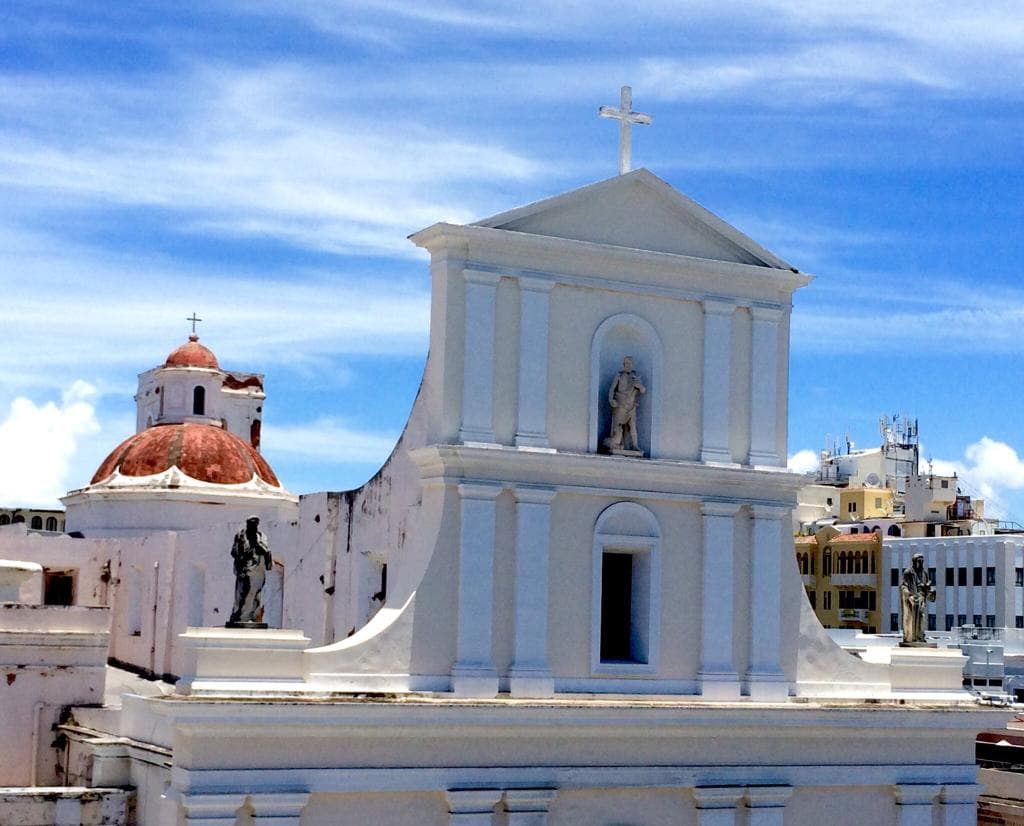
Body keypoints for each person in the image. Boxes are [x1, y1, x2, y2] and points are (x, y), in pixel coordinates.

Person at [228, 515, 273, 627]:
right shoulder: (240, 536)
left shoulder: (261, 536)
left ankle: (251, 616)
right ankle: (241, 616)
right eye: (251, 523)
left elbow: (265, 550)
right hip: (244, 570)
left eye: (255, 524)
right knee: (243, 594)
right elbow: (234, 552)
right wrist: (242, 557)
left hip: (258, 570)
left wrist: (259, 547)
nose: (253, 526)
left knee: (256, 594)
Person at [604, 356, 646, 454]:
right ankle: (615, 444)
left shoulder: (635, 377)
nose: (628, 365)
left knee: (633, 425)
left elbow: (643, 390)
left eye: (630, 363)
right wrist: (611, 399)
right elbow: (612, 389)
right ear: (624, 365)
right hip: (620, 404)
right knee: (617, 426)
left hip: (631, 405)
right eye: (627, 363)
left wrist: (639, 386)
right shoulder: (619, 375)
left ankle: (635, 446)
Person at [899, 553, 934, 645]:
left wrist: (928, 589)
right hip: (912, 600)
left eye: (922, 561)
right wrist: (909, 595)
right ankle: (911, 638)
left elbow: (927, 585)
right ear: (914, 562)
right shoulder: (908, 572)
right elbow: (903, 586)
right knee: (911, 619)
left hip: (921, 598)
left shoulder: (924, 572)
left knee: (921, 618)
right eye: (919, 561)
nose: (921, 563)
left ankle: (920, 637)